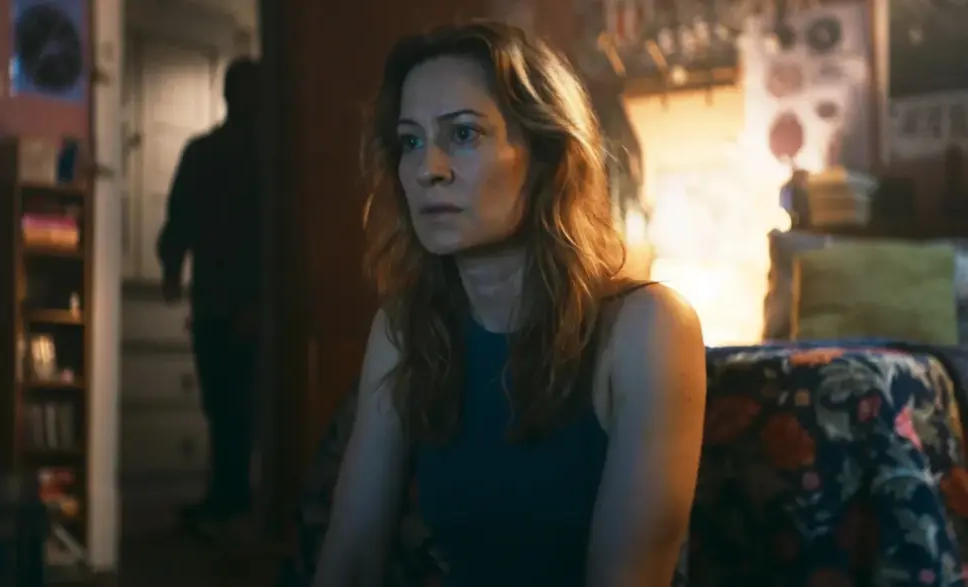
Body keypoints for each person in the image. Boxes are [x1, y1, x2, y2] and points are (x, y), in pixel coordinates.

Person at [313, 21, 706, 587]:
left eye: (464, 133)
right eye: (411, 141)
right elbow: (352, 558)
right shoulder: (404, 330)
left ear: (546, 154)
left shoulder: (647, 328)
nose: (428, 169)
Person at [157, 56, 262, 541]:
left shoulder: (213, 153)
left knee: (231, 406)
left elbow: (179, 217)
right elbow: (180, 216)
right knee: (228, 406)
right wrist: (172, 268)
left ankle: (231, 498)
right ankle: (230, 497)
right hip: (224, 299)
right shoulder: (248, 157)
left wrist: (172, 268)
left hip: (226, 299)